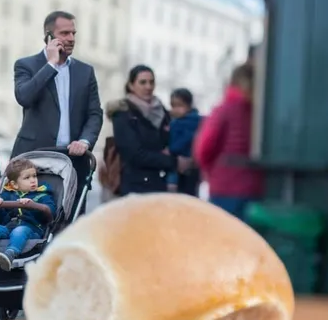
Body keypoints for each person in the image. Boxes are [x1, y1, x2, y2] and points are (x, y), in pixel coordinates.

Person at [11, 10, 102, 158]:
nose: (71, 38)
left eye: (74, 33)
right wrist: (51, 64)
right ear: (49, 37)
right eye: (65, 33)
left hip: (72, 158)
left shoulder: (85, 72)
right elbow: (24, 97)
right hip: (32, 158)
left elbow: (94, 114)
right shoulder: (26, 65)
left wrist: (84, 141)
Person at [194, 61, 265, 218]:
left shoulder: (224, 109)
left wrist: (210, 173)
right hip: (254, 188)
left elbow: (204, 148)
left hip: (224, 188)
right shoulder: (260, 112)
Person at [106, 66, 186, 195]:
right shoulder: (123, 113)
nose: (148, 87)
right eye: (143, 82)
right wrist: (172, 161)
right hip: (135, 186)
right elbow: (134, 154)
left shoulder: (162, 111)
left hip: (161, 184)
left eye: (151, 82)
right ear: (131, 85)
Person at [0, 157, 56, 272]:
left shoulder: (43, 195)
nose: (33, 180)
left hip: (31, 230)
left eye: (34, 176)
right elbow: (1, 219)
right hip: (8, 227)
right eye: (27, 178)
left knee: (19, 231)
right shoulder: (8, 195)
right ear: (14, 184)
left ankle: (9, 255)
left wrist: (33, 205)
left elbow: (50, 212)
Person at [166, 87, 202, 197]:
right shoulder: (200, 121)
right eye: (173, 106)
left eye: (179, 105)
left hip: (181, 165)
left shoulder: (179, 123)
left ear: (189, 105)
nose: (175, 109)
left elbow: (180, 142)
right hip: (195, 165)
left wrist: (169, 149)